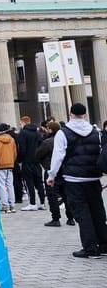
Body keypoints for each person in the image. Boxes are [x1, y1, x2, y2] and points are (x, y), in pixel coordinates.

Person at [47, 103, 107, 258]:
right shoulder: (96, 132)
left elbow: (58, 156)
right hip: (94, 177)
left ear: (70, 114)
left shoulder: (63, 133)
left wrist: (51, 175)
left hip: (74, 179)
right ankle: (105, 245)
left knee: (82, 213)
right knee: (98, 211)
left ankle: (90, 248)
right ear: (85, 114)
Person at [36, 121, 75, 227]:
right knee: (66, 195)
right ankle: (71, 218)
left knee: (52, 195)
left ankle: (56, 218)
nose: (47, 130)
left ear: (51, 130)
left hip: (51, 171)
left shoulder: (48, 142)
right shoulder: (66, 139)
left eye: (48, 129)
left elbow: (38, 154)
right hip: (65, 170)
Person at [0, 123, 18, 213]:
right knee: (9, 185)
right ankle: (12, 205)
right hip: (9, 164)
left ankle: (5, 205)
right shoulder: (11, 139)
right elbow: (15, 152)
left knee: (1, 185)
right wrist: (11, 160)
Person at [17, 116, 45, 211]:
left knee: (29, 183)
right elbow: (41, 146)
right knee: (39, 182)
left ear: (23, 122)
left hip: (27, 161)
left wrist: (19, 160)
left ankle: (32, 203)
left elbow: (22, 149)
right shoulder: (37, 133)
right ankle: (42, 202)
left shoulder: (23, 133)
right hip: (36, 161)